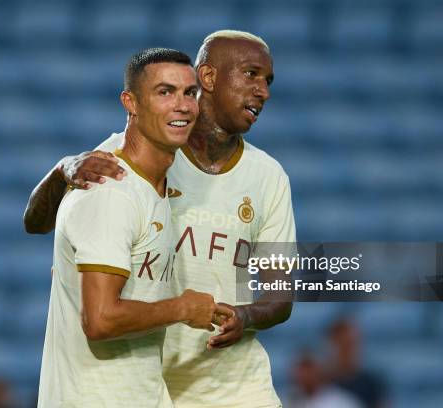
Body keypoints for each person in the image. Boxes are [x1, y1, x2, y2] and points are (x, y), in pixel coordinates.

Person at [27, 30, 296, 407]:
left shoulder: (269, 176)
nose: (263, 91)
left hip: (233, 385)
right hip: (150, 377)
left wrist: (245, 315)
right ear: (209, 77)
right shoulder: (129, 162)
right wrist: (62, 169)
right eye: (251, 74)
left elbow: (281, 294)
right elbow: (37, 223)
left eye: (267, 81)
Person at [37, 48, 232, 408]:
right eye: (165, 92)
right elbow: (99, 320)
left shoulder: (155, 183)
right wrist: (184, 309)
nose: (183, 105)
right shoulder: (111, 193)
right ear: (131, 102)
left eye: (190, 93)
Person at [325, 318, 387, 408]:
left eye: (353, 344)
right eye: (343, 345)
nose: (350, 351)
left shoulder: (372, 384)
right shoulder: (321, 383)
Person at [288, 352, 363, 408]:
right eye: (301, 370)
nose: (304, 375)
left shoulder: (342, 402)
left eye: (308, 369)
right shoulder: (290, 400)